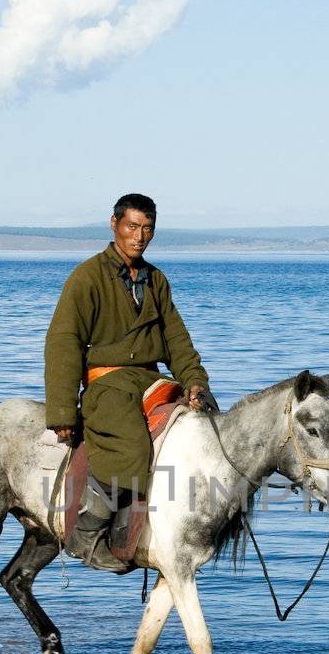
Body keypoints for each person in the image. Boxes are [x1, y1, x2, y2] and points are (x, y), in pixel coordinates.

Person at [44, 193, 217, 571]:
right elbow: (63, 342)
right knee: (133, 449)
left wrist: (196, 383)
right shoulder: (86, 277)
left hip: (152, 383)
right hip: (107, 386)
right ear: (114, 225)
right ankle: (86, 534)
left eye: (147, 229)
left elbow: (178, 341)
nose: (139, 237)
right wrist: (62, 412)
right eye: (132, 227)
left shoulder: (156, 281)